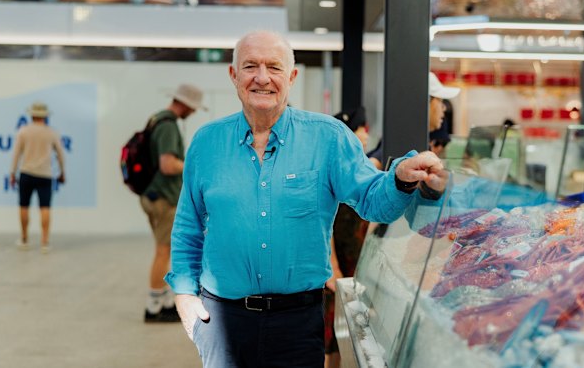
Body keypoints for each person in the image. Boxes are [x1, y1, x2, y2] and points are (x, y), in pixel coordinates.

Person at [167, 30, 446, 368]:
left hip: (297, 324)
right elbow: (188, 227)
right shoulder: (207, 143)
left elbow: (373, 200)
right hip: (223, 323)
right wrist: (184, 295)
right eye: (250, 66)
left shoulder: (328, 138)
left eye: (274, 67)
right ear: (233, 75)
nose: (262, 78)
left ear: (292, 77)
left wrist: (400, 178)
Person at [141, 83, 206, 323]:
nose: (194, 111)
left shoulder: (157, 120)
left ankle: (164, 300)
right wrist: (193, 165)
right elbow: (168, 165)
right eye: (193, 107)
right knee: (163, 251)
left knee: (165, 249)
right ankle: (153, 306)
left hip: (153, 195)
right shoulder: (168, 126)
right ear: (185, 104)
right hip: (163, 198)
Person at [324, 106, 372, 368]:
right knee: (330, 329)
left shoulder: (359, 166)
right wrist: (332, 266)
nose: (366, 135)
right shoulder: (335, 168)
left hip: (351, 262)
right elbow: (325, 222)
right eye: (360, 129)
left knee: (340, 333)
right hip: (337, 265)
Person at [366, 72, 459, 167]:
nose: (444, 108)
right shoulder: (406, 140)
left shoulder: (413, 138)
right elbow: (371, 166)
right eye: (440, 101)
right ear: (426, 102)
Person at [10, 102, 65, 254]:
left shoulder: (23, 131)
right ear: (45, 116)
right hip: (45, 174)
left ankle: (24, 238)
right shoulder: (52, 133)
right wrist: (62, 172)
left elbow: (16, 154)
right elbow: (60, 155)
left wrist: (12, 173)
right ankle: (45, 241)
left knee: (24, 206)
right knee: (45, 207)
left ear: (32, 115)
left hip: (26, 173)